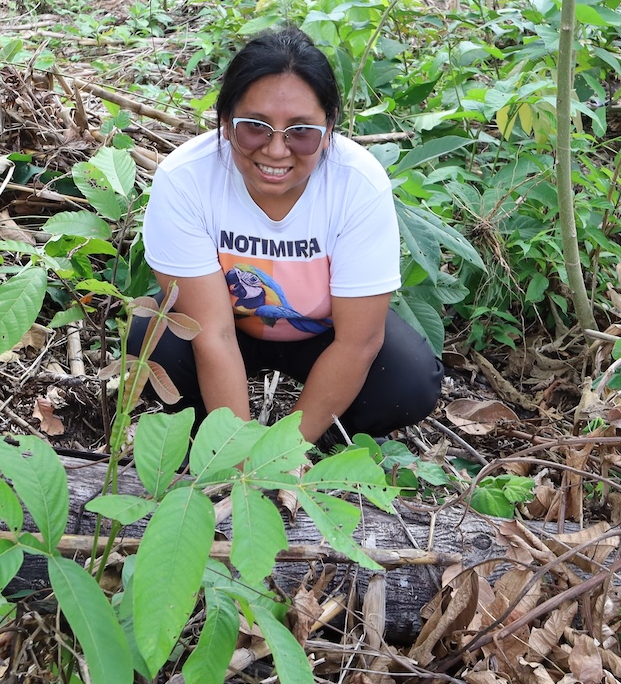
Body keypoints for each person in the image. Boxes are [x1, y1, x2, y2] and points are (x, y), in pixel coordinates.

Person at [137, 25, 443, 446]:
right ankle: (209, 433)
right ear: (225, 122)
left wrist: (284, 449)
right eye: (255, 127)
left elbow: (358, 341)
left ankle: (321, 437)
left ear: (330, 126)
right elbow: (213, 332)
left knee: (408, 382)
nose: (276, 150)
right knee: (151, 339)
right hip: (229, 329)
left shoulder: (357, 183)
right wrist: (238, 448)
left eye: (301, 131)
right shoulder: (186, 179)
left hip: (325, 333)